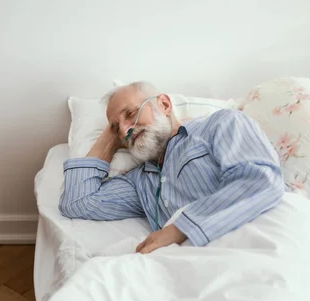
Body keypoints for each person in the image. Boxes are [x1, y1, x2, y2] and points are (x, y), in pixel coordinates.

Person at [58, 81, 286, 254]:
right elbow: (78, 202)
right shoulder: (141, 182)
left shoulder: (222, 124)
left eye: (131, 114)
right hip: (202, 265)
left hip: (264, 240)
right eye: (118, 127)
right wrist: (110, 136)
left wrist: (179, 229)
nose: (126, 129)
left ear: (165, 104)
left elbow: (261, 181)